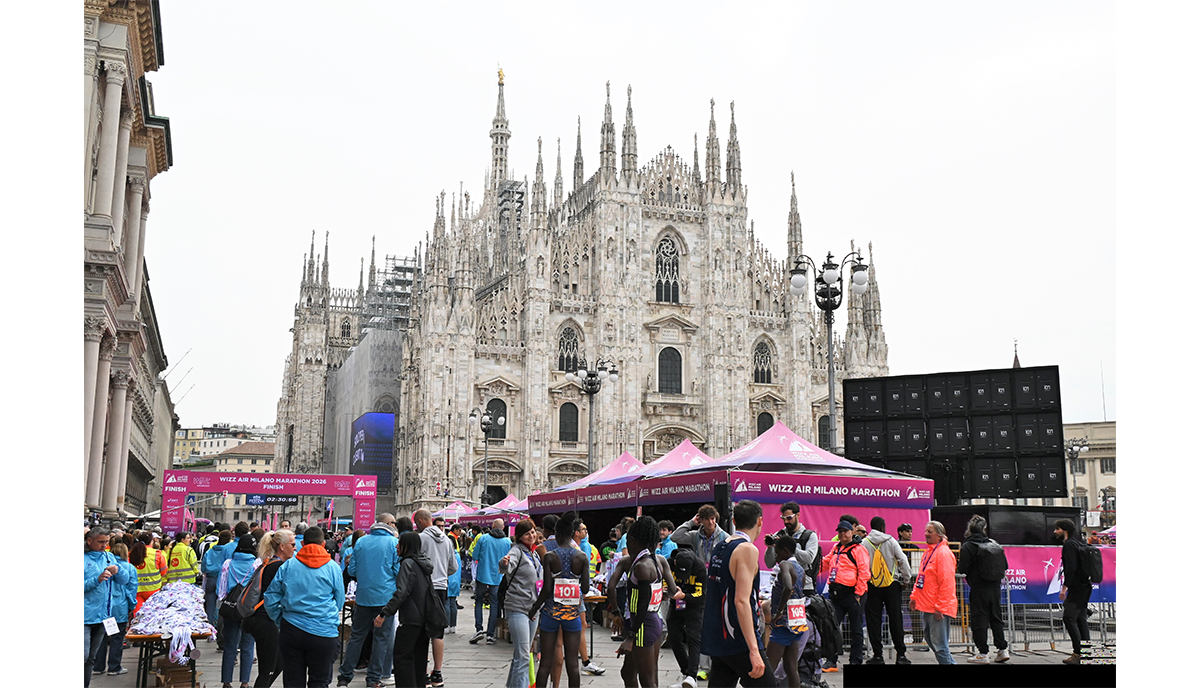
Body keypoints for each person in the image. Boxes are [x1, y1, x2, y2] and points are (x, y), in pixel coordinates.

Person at [701, 500, 774, 687]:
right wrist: (754, 649)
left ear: (734, 520)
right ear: (759, 521)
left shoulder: (720, 546)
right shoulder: (747, 550)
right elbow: (741, 601)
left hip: (719, 636)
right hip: (737, 637)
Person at [264, 527, 345, 688]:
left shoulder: (288, 566)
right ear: (323, 544)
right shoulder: (333, 568)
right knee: (320, 682)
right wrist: (327, 617)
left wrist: (281, 619)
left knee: (293, 681)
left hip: (292, 629)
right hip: (324, 632)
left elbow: (271, 598)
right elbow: (339, 600)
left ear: (302, 543)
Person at [337, 514, 400, 688]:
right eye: (394, 523)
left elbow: (352, 570)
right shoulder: (394, 543)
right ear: (388, 524)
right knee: (381, 639)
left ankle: (344, 676)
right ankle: (373, 679)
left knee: (357, 636)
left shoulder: (362, 542)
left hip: (363, 597)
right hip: (385, 599)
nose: (395, 526)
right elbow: (398, 570)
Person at [532, 512, 591, 688]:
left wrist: (534, 607)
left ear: (556, 534)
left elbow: (547, 588)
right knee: (573, 663)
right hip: (572, 614)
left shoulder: (550, 556)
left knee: (545, 663)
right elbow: (586, 589)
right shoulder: (581, 557)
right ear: (573, 533)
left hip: (551, 613)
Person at [618, 516, 678, 688]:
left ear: (635, 541)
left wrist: (630, 636)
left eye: (628, 540)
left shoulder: (641, 566)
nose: (627, 545)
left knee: (647, 680)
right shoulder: (657, 560)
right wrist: (661, 594)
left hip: (642, 625)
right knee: (634, 673)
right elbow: (672, 590)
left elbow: (642, 605)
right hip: (654, 621)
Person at [376, 531, 435, 688]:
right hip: (424, 618)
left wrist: (384, 613)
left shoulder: (407, 564)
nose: (396, 546)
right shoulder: (423, 563)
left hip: (410, 619)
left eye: (399, 543)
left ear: (406, 546)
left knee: (402, 658)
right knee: (419, 659)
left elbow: (401, 593)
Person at [244, 529, 295, 688]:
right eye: (292, 545)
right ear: (282, 546)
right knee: (268, 669)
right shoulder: (278, 566)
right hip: (265, 620)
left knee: (277, 664)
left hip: (262, 619)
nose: (295, 548)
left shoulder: (271, 563)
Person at [957, 515, 1010, 664]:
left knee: (979, 619)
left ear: (970, 529)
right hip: (995, 587)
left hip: (978, 587)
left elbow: (963, 568)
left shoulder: (968, 546)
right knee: (996, 618)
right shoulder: (994, 544)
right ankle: (1002, 649)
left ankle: (983, 653)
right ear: (984, 529)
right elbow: (1005, 566)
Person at [85, 527, 134, 687]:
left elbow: (124, 580)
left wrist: (118, 571)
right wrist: (97, 580)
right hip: (85, 615)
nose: (104, 545)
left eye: (106, 542)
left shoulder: (109, 557)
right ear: (89, 540)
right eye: (100, 542)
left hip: (103, 615)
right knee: (83, 654)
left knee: (91, 656)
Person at [416, 508, 459, 688]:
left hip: (425, 588)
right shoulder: (448, 541)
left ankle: (424, 674)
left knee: (422, 630)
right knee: (437, 631)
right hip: (441, 588)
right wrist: (442, 573)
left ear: (419, 522)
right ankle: (438, 673)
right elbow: (454, 567)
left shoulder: (421, 538)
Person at [500, 519, 545, 688]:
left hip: (533, 609)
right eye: (527, 533)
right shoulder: (517, 551)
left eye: (533, 532)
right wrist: (504, 563)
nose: (532, 535)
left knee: (522, 654)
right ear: (519, 536)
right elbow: (506, 565)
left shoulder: (533, 553)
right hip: (517, 607)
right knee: (524, 655)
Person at [862, 516, 913, 665]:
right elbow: (902, 560)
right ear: (883, 527)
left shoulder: (865, 543)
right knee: (896, 618)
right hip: (892, 585)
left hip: (872, 585)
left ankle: (878, 655)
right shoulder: (891, 541)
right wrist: (906, 579)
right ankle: (901, 655)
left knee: (874, 620)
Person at [820, 520, 869, 671]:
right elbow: (826, 563)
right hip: (836, 594)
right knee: (832, 627)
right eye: (840, 531)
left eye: (845, 531)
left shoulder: (859, 549)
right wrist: (811, 569)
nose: (842, 534)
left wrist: (858, 594)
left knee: (856, 629)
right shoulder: (836, 548)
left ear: (852, 532)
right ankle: (831, 661)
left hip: (853, 594)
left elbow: (864, 572)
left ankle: (855, 660)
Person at [909, 521, 957, 665]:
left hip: (937, 607)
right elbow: (921, 577)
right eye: (926, 531)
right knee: (931, 640)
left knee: (940, 646)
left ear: (939, 534)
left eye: (930, 532)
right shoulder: (929, 552)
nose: (926, 534)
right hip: (927, 605)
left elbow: (947, 583)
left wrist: (941, 607)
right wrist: (914, 596)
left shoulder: (943, 554)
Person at [764, 535, 809, 688]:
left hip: (782, 625)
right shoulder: (801, 569)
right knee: (791, 668)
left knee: (768, 669)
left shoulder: (784, 564)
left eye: (777, 553)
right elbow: (799, 592)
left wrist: (779, 612)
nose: (776, 557)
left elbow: (788, 587)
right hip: (797, 623)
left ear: (785, 551)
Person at [219, 534, 260, 688]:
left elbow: (221, 589)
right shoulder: (257, 564)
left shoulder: (228, 564)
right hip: (249, 610)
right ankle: (244, 682)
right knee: (248, 645)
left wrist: (223, 604)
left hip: (231, 609)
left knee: (230, 645)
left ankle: (226, 682)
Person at [93, 541, 139, 678]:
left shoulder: (103, 566)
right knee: (117, 639)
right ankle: (114, 666)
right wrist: (132, 605)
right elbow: (131, 589)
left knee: (101, 638)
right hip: (120, 608)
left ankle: (98, 666)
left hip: (103, 608)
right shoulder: (129, 568)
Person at [666, 539, 706, 688]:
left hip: (693, 604)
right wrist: (667, 591)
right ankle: (686, 674)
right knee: (674, 637)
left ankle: (691, 675)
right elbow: (664, 580)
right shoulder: (670, 563)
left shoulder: (699, 567)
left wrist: (684, 596)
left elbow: (701, 595)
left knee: (693, 638)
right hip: (676, 602)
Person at [470, 518, 512, 645]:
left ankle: (478, 629)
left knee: (479, 600)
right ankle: (490, 634)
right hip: (498, 577)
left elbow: (475, 555)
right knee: (495, 604)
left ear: (492, 526)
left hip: (483, 574)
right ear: (503, 528)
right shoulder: (507, 541)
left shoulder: (483, 538)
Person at [1055, 518, 1091, 665]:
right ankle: (1087, 653)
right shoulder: (1079, 542)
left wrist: (1065, 587)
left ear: (1064, 530)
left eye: (1057, 529)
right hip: (1085, 585)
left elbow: (1070, 568)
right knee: (1081, 619)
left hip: (1077, 587)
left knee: (1069, 618)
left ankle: (1077, 653)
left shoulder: (1069, 544)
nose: (1055, 531)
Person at [130, 537, 165, 617]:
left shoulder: (132, 553)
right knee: (152, 615)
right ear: (151, 542)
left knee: (138, 615)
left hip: (136, 589)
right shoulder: (157, 554)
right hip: (153, 589)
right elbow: (163, 571)